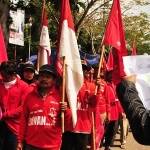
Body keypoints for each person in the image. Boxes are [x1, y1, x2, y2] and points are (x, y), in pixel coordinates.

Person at [17, 64, 67, 150]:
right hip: (31, 145)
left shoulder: (60, 97)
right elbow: (23, 120)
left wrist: (66, 111)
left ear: (54, 80)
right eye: (42, 76)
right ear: (38, 78)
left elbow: (67, 123)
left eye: (48, 77)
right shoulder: (29, 96)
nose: (44, 79)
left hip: (52, 146)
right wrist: (20, 141)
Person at [61, 62, 96, 150]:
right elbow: (59, 101)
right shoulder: (65, 85)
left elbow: (94, 104)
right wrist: (62, 105)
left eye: (84, 69)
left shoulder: (91, 86)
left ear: (86, 72)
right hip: (68, 126)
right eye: (78, 69)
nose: (81, 71)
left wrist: (97, 92)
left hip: (83, 126)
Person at [0, 61, 29, 150]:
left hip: (15, 128)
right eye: (2, 74)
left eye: (5, 76)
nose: (3, 77)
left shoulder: (24, 86)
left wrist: (5, 115)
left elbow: (23, 108)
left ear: (13, 74)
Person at [116, 75, 150, 145]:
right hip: (120, 112)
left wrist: (127, 86)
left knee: (125, 128)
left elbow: (144, 127)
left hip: (125, 112)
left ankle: (123, 141)